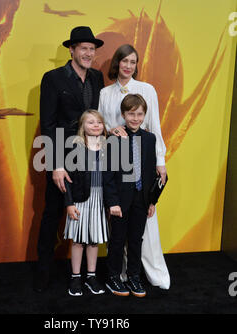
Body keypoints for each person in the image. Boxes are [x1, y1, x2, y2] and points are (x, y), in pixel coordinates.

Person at [35, 27, 104, 292]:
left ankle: (85, 274)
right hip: (62, 159)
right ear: (71, 50)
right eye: (83, 48)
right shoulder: (53, 78)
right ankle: (43, 275)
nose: (88, 53)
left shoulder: (97, 78)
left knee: (87, 213)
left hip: (90, 160)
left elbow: (100, 116)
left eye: (92, 49)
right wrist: (55, 165)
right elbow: (48, 124)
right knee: (52, 214)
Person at [98, 44, 170, 290]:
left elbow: (155, 128)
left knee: (140, 233)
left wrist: (160, 161)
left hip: (142, 171)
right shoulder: (105, 93)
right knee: (117, 234)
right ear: (116, 63)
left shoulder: (147, 90)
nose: (128, 66)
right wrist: (110, 131)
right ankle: (116, 276)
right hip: (117, 163)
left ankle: (140, 273)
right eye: (124, 61)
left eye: (133, 62)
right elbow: (98, 124)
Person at [103, 94, 157, 297]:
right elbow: (108, 174)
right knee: (117, 240)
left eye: (139, 114)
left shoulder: (149, 139)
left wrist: (152, 201)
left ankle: (134, 276)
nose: (135, 118)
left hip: (141, 199)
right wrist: (112, 202)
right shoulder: (115, 138)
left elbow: (151, 172)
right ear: (124, 115)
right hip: (120, 200)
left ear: (144, 115)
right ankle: (114, 276)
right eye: (131, 114)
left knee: (136, 239)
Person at [63, 110, 108, 296]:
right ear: (82, 126)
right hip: (80, 199)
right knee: (79, 241)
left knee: (93, 240)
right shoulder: (75, 147)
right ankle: (75, 278)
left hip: (99, 199)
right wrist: (69, 203)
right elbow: (66, 178)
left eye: (99, 122)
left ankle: (91, 276)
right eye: (90, 122)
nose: (96, 125)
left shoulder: (109, 146)